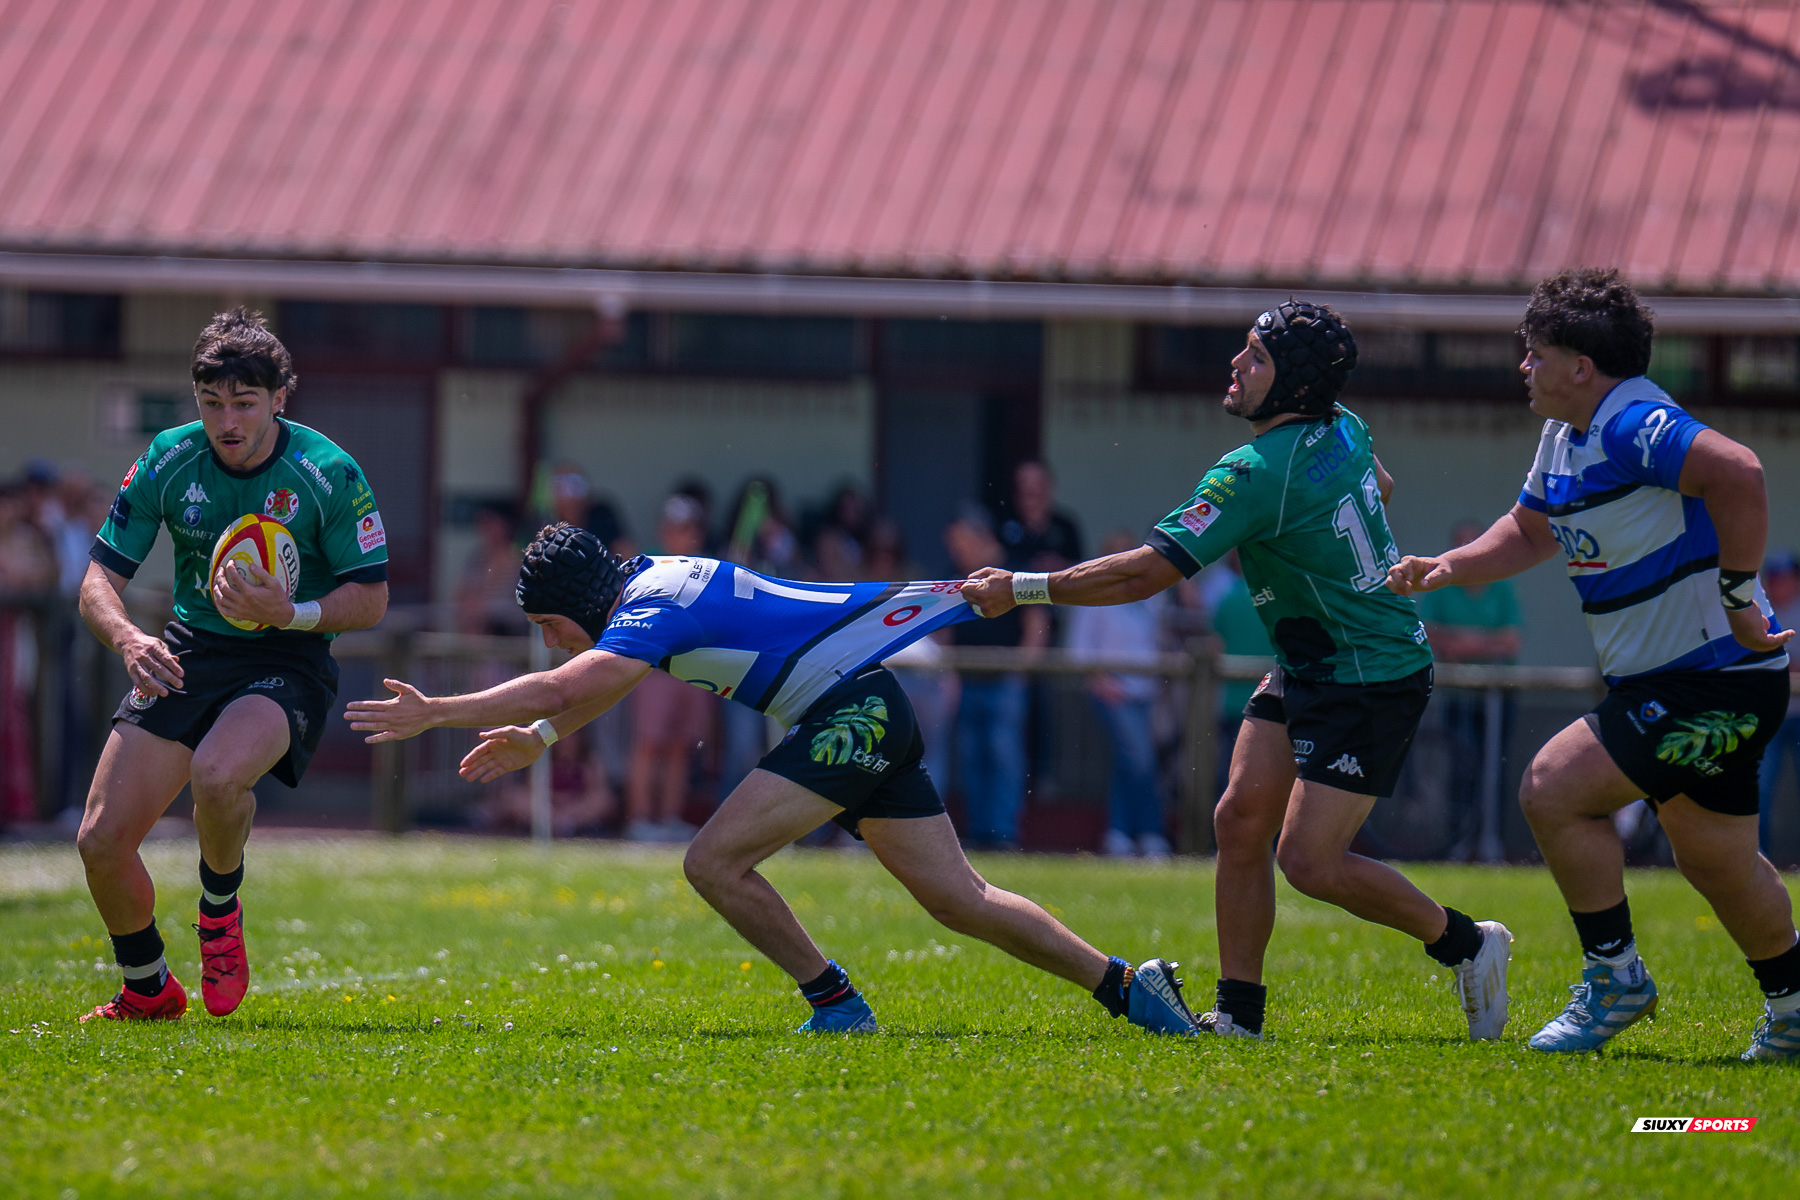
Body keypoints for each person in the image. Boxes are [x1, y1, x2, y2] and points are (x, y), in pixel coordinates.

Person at [345, 523, 1199, 1036]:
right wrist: (537, 733)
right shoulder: (645, 581)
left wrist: (437, 711)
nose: (548, 640)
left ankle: (836, 1002)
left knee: (712, 862)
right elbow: (591, 684)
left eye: (546, 624)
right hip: (865, 709)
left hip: (849, 719)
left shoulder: (647, 611)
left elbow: (576, 683)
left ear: (579, 603)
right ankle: (1128, 986)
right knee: (959, 900)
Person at [964, 299, 1513, 1043]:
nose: (1236, 364)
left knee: (1310, 862)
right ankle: (1240, 1017)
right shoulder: (1341, 422)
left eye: (1255, 357)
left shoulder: (1252, 474)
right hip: (1313, 660)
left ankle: (1469, 944)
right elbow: (1378, 486)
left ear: (1290, 387)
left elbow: (1145, 575)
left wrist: (1023, 587)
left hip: (1372, 674)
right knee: (1238, 818)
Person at [1389, 269, 1800, 1061]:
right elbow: (1531, 530)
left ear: (1583, 366)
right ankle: (1794, 1006)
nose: (1524, 367)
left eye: (1535, 353)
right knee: (1715, 861)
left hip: (1708, 680)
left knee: (1553, 788)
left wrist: (1742, 595)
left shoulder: (1631, 422)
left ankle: (1616, 981)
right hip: (1686, 683)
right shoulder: (1568, 436)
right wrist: (1450, 567)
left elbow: (1739, 471)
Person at [75, 308, 389, 1022]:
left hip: (288, 654)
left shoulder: (327, 472)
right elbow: (97, 580)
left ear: (280, 398)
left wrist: (295, 613)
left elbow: (371, 597)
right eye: (212, 403)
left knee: (217, 775)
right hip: (190, 649)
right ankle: (147, 989)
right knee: (99, 841)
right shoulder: (167, 458)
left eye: (244, 403)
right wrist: (129, 640)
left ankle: (219, 912)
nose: (227, 421)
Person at [945, 507, 1047, 850]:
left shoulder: (1015, 569)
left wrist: (1022, 667)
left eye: (961, 543)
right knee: (973, 757)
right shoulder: (956, 575)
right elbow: (944, 630)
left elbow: (1037, 621)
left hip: (1005, 680)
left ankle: (1004, 834)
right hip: (966, 679)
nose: (956, 552)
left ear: (981, 537)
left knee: (1004, 756)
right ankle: (979, 832)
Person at [1066, 530, 1169, 857]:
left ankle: (1120, 833)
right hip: (1112, 690)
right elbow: (1078, 649)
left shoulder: (1153, 595)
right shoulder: (1092, 596)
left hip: (1148, 692)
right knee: (1140, 760)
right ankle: (1150, 832)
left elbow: (1160, 640)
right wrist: (1100, 680)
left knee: (1129, 763)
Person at [624, 493, 717, 841]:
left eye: (690, 528)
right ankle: (640, 820)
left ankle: (668, 819)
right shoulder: (648, 566)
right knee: (649, 742)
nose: (683, 535)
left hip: (695, 665)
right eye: (676, 528)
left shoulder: (709, 569)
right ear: (664, 531)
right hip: (655, 667)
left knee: (681, 745)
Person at [1420, 520, 1524, 826]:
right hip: (1458, 695)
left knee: (1496, 767)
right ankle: (1459, 841)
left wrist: (1461, 642)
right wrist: (1484, 641)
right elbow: (1430, 635)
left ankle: (1491, 842)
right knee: (1461, 765)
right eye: (1461, 546)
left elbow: (1510, 640)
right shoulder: (1439, 588)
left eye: (1474, 545)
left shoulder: (1503, 586)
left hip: (1499, 694)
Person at [1757, 552, 1800, 856]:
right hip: (1768, 716)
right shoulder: (1757, 612)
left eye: (1785, 577)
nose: (1779, 584)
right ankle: (1761, 861)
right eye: (1773, 578)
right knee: (1759, 792)